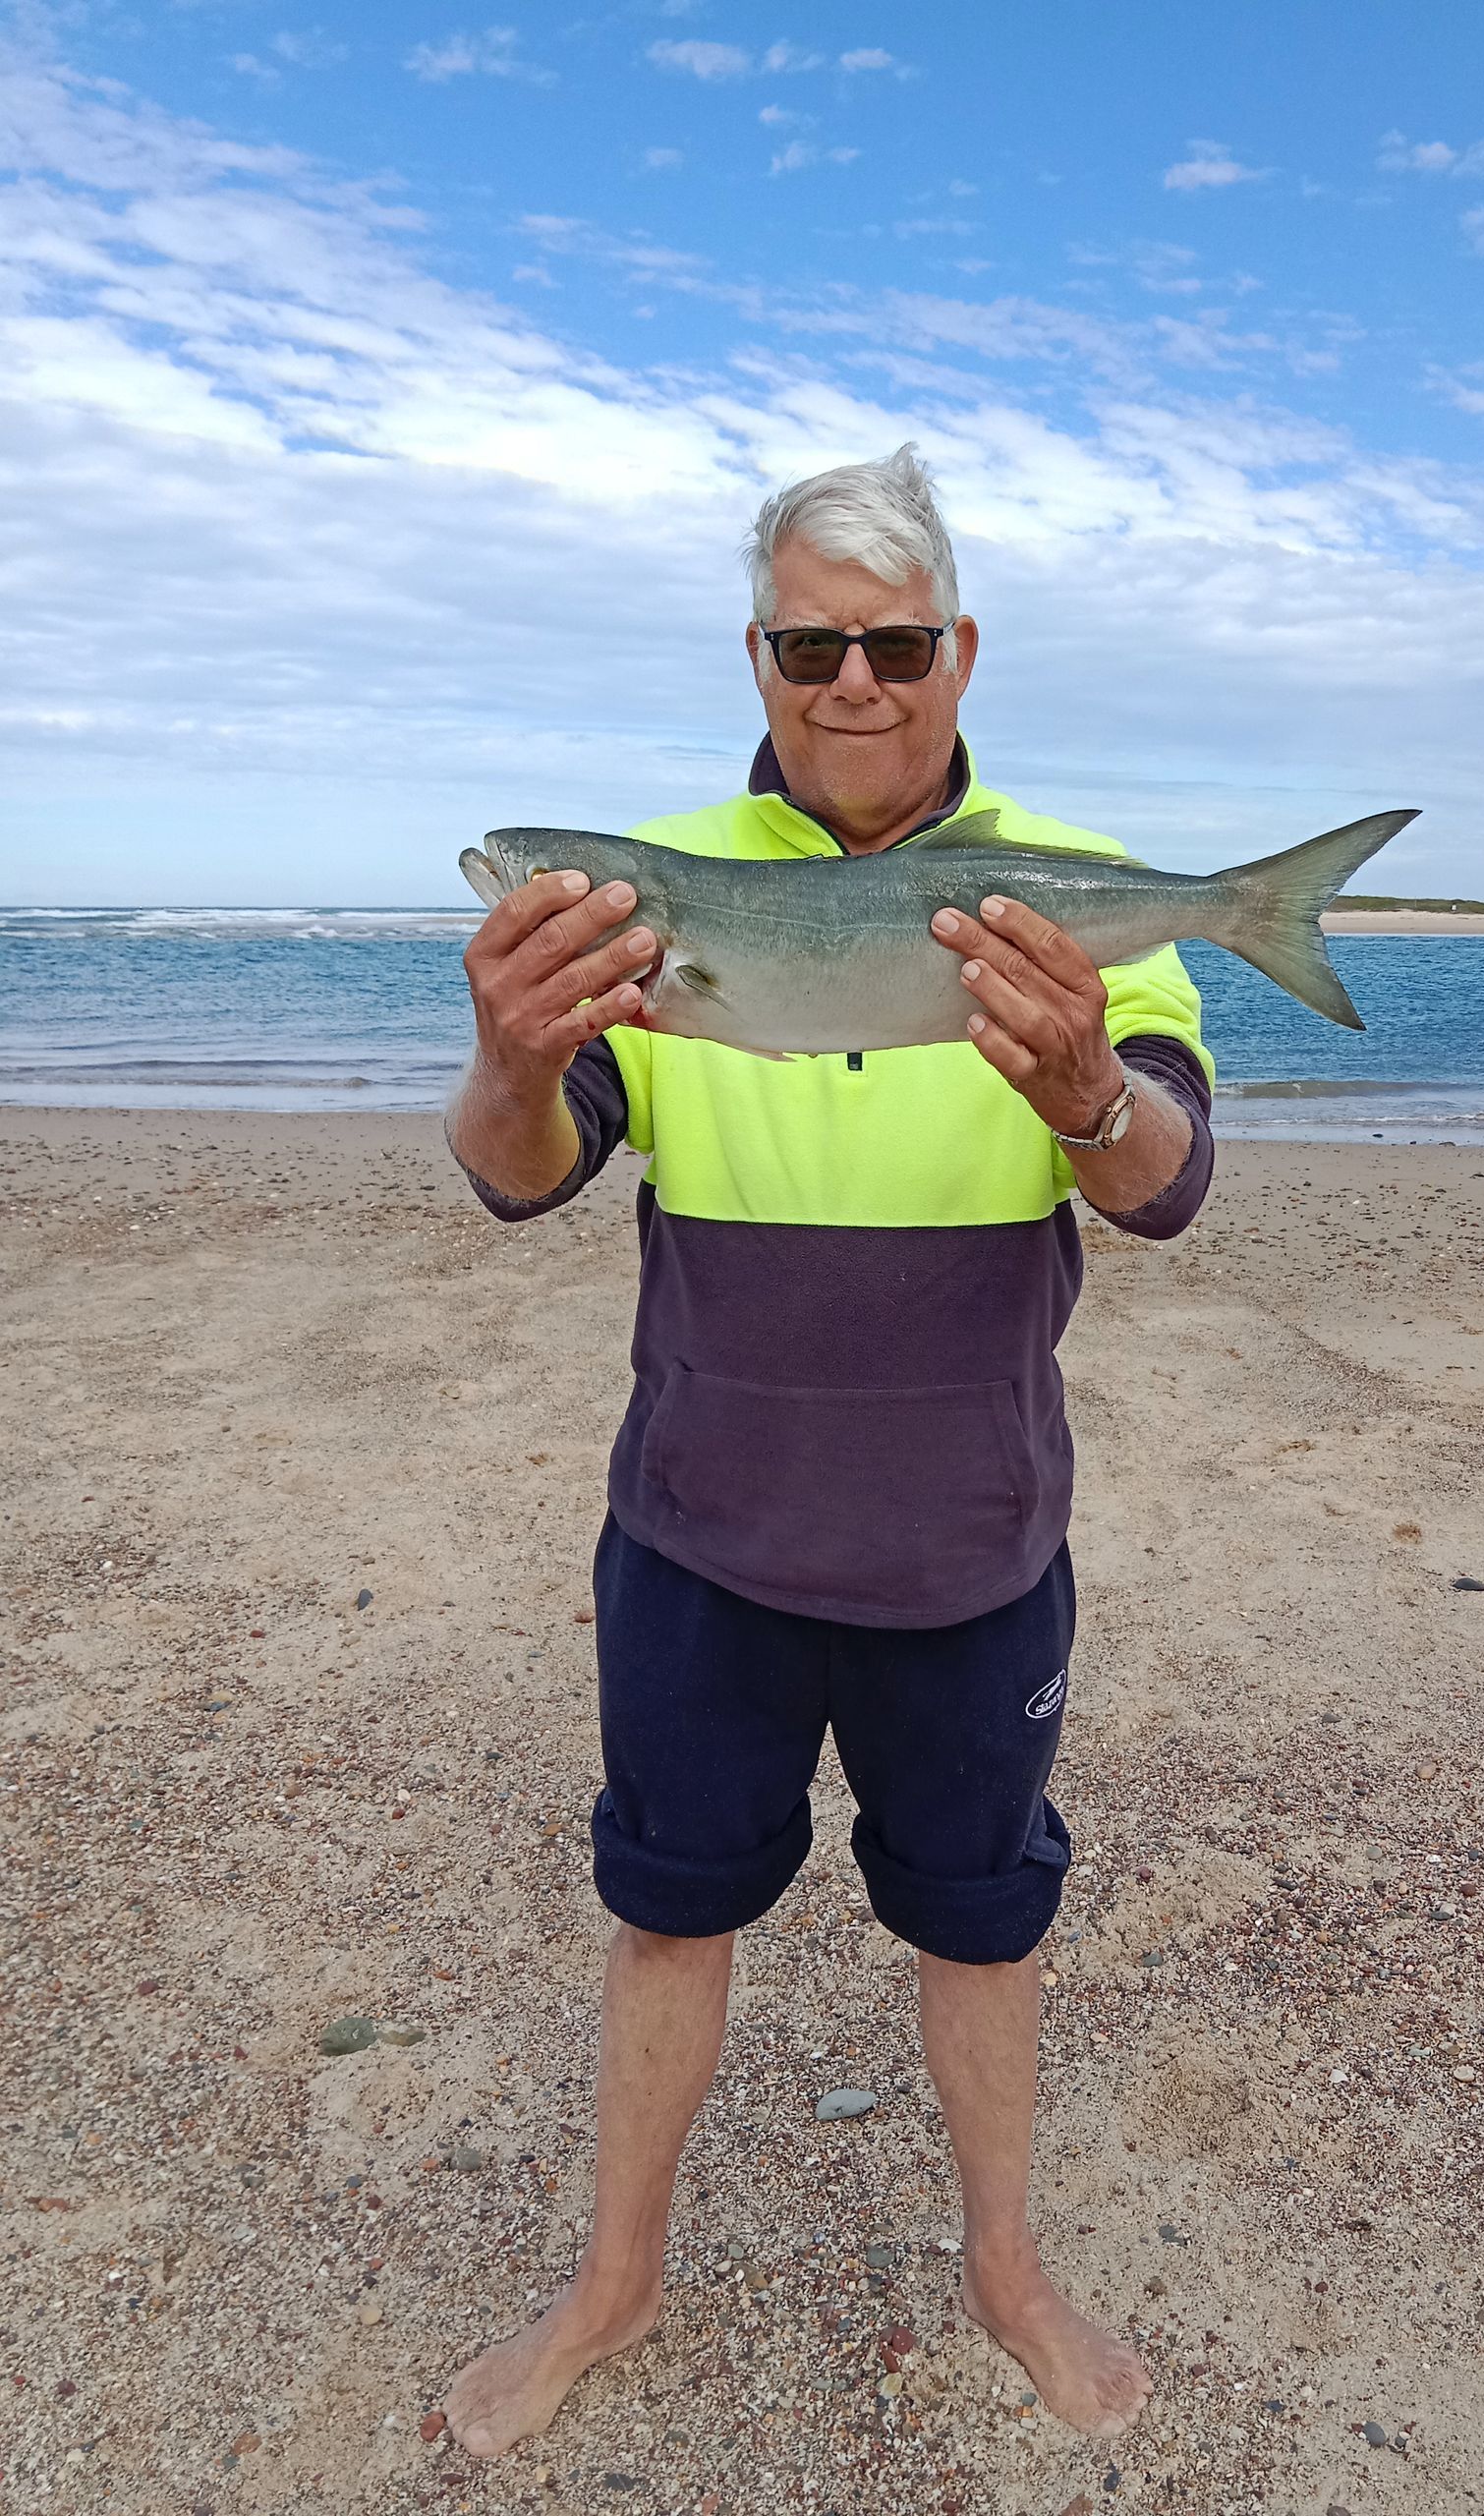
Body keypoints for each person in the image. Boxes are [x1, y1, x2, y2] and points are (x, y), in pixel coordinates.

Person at [441, 445, 1215, 2458]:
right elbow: (521, 1172)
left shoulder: (1075, 894)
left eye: (890, 642)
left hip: (972, 1539)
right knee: (668, 1906)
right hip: (700, 1531)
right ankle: (614, 2275)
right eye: (810, 642)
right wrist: (509, 1061)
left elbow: (1164, 1175)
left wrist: (1078, 1095)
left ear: (956, 649)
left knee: (986, 1917)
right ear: (763, 653)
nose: (851, 680)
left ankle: (1008, 2266)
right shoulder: (647, 890)